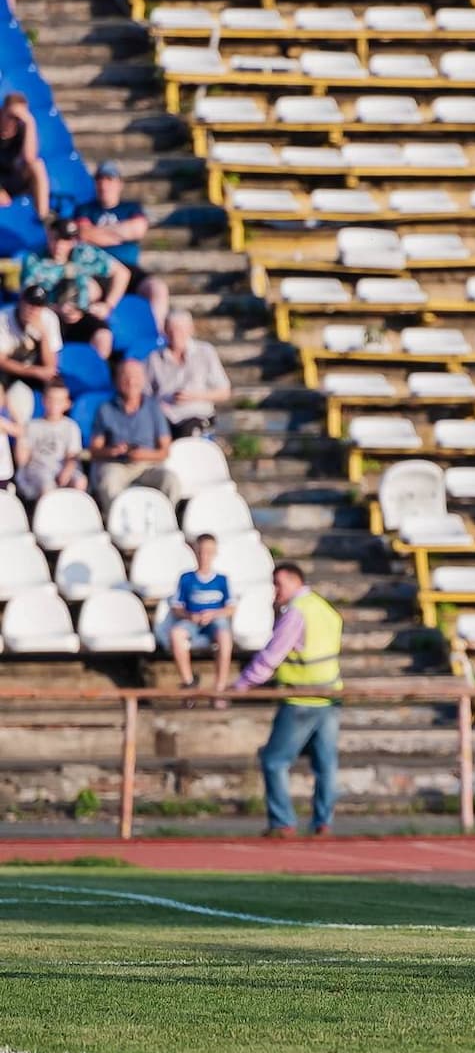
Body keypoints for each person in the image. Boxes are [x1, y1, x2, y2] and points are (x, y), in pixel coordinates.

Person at [228, 562, 343, 838]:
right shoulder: (324, 607)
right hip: (331, 695)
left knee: (274, 761)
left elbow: (272, 655)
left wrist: (241, 685)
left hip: (301, 696)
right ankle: (323, 822)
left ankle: (282, 822)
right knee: (326, 765)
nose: (275, 591)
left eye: (278, 584)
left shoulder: (296, 612)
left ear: (294, 581)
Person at [75, 161, 169, 328]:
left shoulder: (131, 208)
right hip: (99, 269)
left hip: (129, 267)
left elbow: (138, 230)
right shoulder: (85, 210)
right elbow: (84, 234)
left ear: (119, 183)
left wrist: (99, 233)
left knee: (157, 288)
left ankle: (156, 335)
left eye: (109, 179)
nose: (104, 185)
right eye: (100, 180)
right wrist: (121, 233)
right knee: (85, 292)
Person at [20, 216, 128, 359]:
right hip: (49, 314)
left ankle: (92, 376)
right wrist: (57, 309)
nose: (59, 245)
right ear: (48, 236)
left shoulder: (84, 254)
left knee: (103, 337)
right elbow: (28, 298)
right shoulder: (34, 259)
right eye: (55, 239)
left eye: (65, 240)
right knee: (42, 336)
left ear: (73, 241)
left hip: (81, 313)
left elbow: (122, 272)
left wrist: (108, 305)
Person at [89, 356, 179, 506]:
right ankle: (118, 523)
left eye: (135, 377)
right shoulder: (105, 409)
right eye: (125, 377)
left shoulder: (154, 408)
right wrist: (112, 451)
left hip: (148, 465)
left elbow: (165, 450)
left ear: (143, 380)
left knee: (170, 480)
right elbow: (94, 449)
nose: (131, 382)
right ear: (117, 380)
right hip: (117, 465)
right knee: (109, 482)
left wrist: (144, 455)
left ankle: (166, 520)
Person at [164, 533, 234, 695]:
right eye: (201, 551)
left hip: (215, 621)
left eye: (209, 552)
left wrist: (214, 614)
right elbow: (176, 606)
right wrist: (190, 616)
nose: (204, 556)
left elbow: (231, 608)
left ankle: (220, 687)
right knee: (176, 634)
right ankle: (188, 682)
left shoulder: (222, 580)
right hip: (192, 620)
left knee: (224, 636)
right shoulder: (186, 578)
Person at [146, 311, 230, 438]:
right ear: (165, 331)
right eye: (171, 329)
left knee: (189, 432)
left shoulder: (205, 352)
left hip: (197, 414)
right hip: (165, 416)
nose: (175, 334)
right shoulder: (154, 357)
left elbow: (224, 392)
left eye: (180, 330)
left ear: (190, 330)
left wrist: (195, 396)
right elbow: (146, 392)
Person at [13, 376, 84, 501]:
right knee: (47, 485)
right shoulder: (32, 426)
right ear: (43, 400)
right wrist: (20, 436)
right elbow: (22, 460)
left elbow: (73, 456)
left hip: (61, 468)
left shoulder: (71, 426)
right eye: (51, 400)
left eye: (59, 401)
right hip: (38, 470)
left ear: (67, 403)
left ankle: (74, 514)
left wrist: (66, 472)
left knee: (80, 481)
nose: (54, 405)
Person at [0, 283, 60, 426]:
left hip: (35, 371)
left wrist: (44, 335)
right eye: (30, 304)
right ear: (21, 302)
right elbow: (1, 361)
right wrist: (33, 372)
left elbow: (51, 365)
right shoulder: (3, 318)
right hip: (8, 372)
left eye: (38, 306)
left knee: (57, 389)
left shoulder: (49, 319)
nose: (33, 310)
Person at [0, 93, 49, 220]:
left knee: (38, 165)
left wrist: (29, 123)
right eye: (11, 116)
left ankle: (43, 218)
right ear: (2, 112)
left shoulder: (23, 130)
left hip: (15, 179)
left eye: (18, 118)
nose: (14, 121)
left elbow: (29, 158)